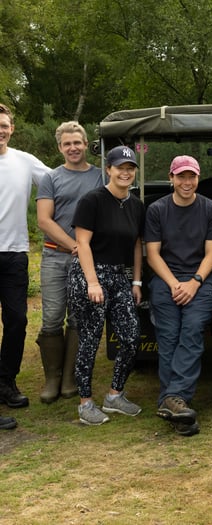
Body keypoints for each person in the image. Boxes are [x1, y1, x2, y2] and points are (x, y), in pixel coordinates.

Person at [145, 155, 212, 436]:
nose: (186, 182)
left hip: (201, 282)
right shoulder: (156, 210)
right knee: (168, 336)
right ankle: (178, 405)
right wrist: (173, 283)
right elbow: (152, 254)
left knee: (191, 332)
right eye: (181, 177)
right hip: (165, 281)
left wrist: (194, 282)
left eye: (191, 177)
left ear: (198, 179)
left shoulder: (211, 209)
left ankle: (171, 398)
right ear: (171, 178)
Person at [67, 145, 145, 425]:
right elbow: (83, 243)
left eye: (130, 168)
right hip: (89, 274)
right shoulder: (93, 200)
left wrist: (136, 280)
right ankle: (85, 403)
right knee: (90, 339)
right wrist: (92, 282)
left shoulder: (136, 205)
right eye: (120, 167)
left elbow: (137, 243)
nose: (125, 172)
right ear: (109, 170)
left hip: (119, 276)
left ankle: (114, 396)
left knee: (131, 336)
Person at [35, 121, 103, 404]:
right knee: (52, 318)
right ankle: (52, 378)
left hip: (87, 259)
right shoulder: (51, 178)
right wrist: (73, 244)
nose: (73, 148)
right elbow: (43, 220)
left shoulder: (100, 177)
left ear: (86, 144)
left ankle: (69, 378)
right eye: (67, 144)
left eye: (77, 142)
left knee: (78, 318)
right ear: (60, 148)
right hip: (55, 256)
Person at [0, 103, 49, 431]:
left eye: (4, 125)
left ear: (12, 128)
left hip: (15, 254)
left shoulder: (24, 161)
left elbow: (58, 181)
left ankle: (7, 383)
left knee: (17, 320)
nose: (0, 130)